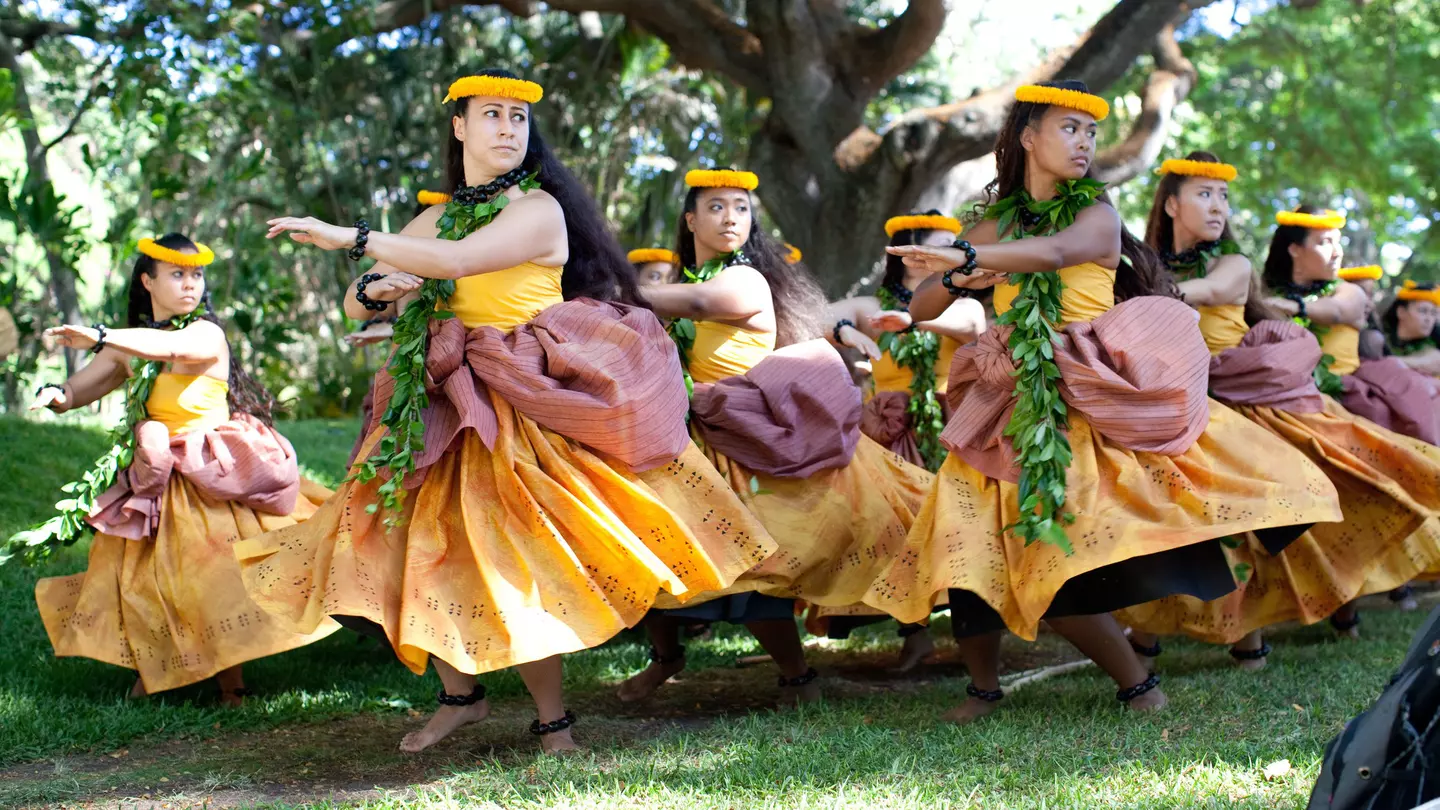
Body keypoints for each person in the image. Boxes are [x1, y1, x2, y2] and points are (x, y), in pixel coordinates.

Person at [238, 70, 775, 754]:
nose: (506, 129)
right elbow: (362, 296)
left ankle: (554, 720)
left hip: (518, 395)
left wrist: (353, 237)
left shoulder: (538, 208)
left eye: (517, 120)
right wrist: (381, 286)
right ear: (458, 127)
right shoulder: (438, 214)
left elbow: (456, 261)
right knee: (414, 544)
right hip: (439, 398)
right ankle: (459, 697)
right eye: (490, 115)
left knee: (509, 556)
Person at [861, 81, 1342, 724]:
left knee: (1068, 544)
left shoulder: (1097, 214)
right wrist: (954, 275)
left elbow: (1057, 253)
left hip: (1089, 388)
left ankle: (1142, 683)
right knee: (970, 535)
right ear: (1028, 136)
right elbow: (923, 307)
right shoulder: (993, 223)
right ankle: (982, 688)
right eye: (1069, 128)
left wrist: (973, 253)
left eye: (1090, 132)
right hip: (1007, 394)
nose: (1085, 142)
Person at [617, 167, 932, 702]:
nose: (730, 217)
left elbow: (696, 306)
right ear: (691, 218)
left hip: (752, 440)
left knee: (764, 559)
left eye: (741, 207)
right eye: (716, 206)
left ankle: (797, 676)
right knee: (654, 545)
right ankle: (666, 658)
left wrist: (608, 289)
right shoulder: (690, 282)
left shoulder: (744, 279)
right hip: (695, 440)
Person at [1116, 153, 1440, 664]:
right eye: (1204, 194)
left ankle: (1251, 638)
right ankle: (1151, 632)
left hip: (1245, 404)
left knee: (1249, 521)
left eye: (1223, 196)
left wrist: (1151, 294)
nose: (1218, 205)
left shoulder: (1233, 264)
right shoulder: (1143, 266)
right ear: (1172, 204)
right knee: (1175, 517)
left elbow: (1218, 290)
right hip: (1178, 406)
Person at [21, 233, 335, 705]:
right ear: (148, 281)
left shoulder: (205, 333)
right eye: (177, 274)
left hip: (210, 473)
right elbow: (76, 391)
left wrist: (103, 336)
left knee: (215, 575)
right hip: (158, 475)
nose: (190, 284)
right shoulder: (130, 348)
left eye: (196, 274)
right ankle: (156, 671)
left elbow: (171, 349)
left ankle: (233, 687)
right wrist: (54, 393)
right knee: (145, 578)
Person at [1264, 208, 1440, 446]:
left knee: (1380, 417)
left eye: (1338, 243)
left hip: (1349, 389)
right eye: (1325, 242)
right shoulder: (1267, 294)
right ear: (1295, 249)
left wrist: (1290, 307)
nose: (1337, 253)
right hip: (1290, 388)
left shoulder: (1349, 291)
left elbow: (1337, 311)